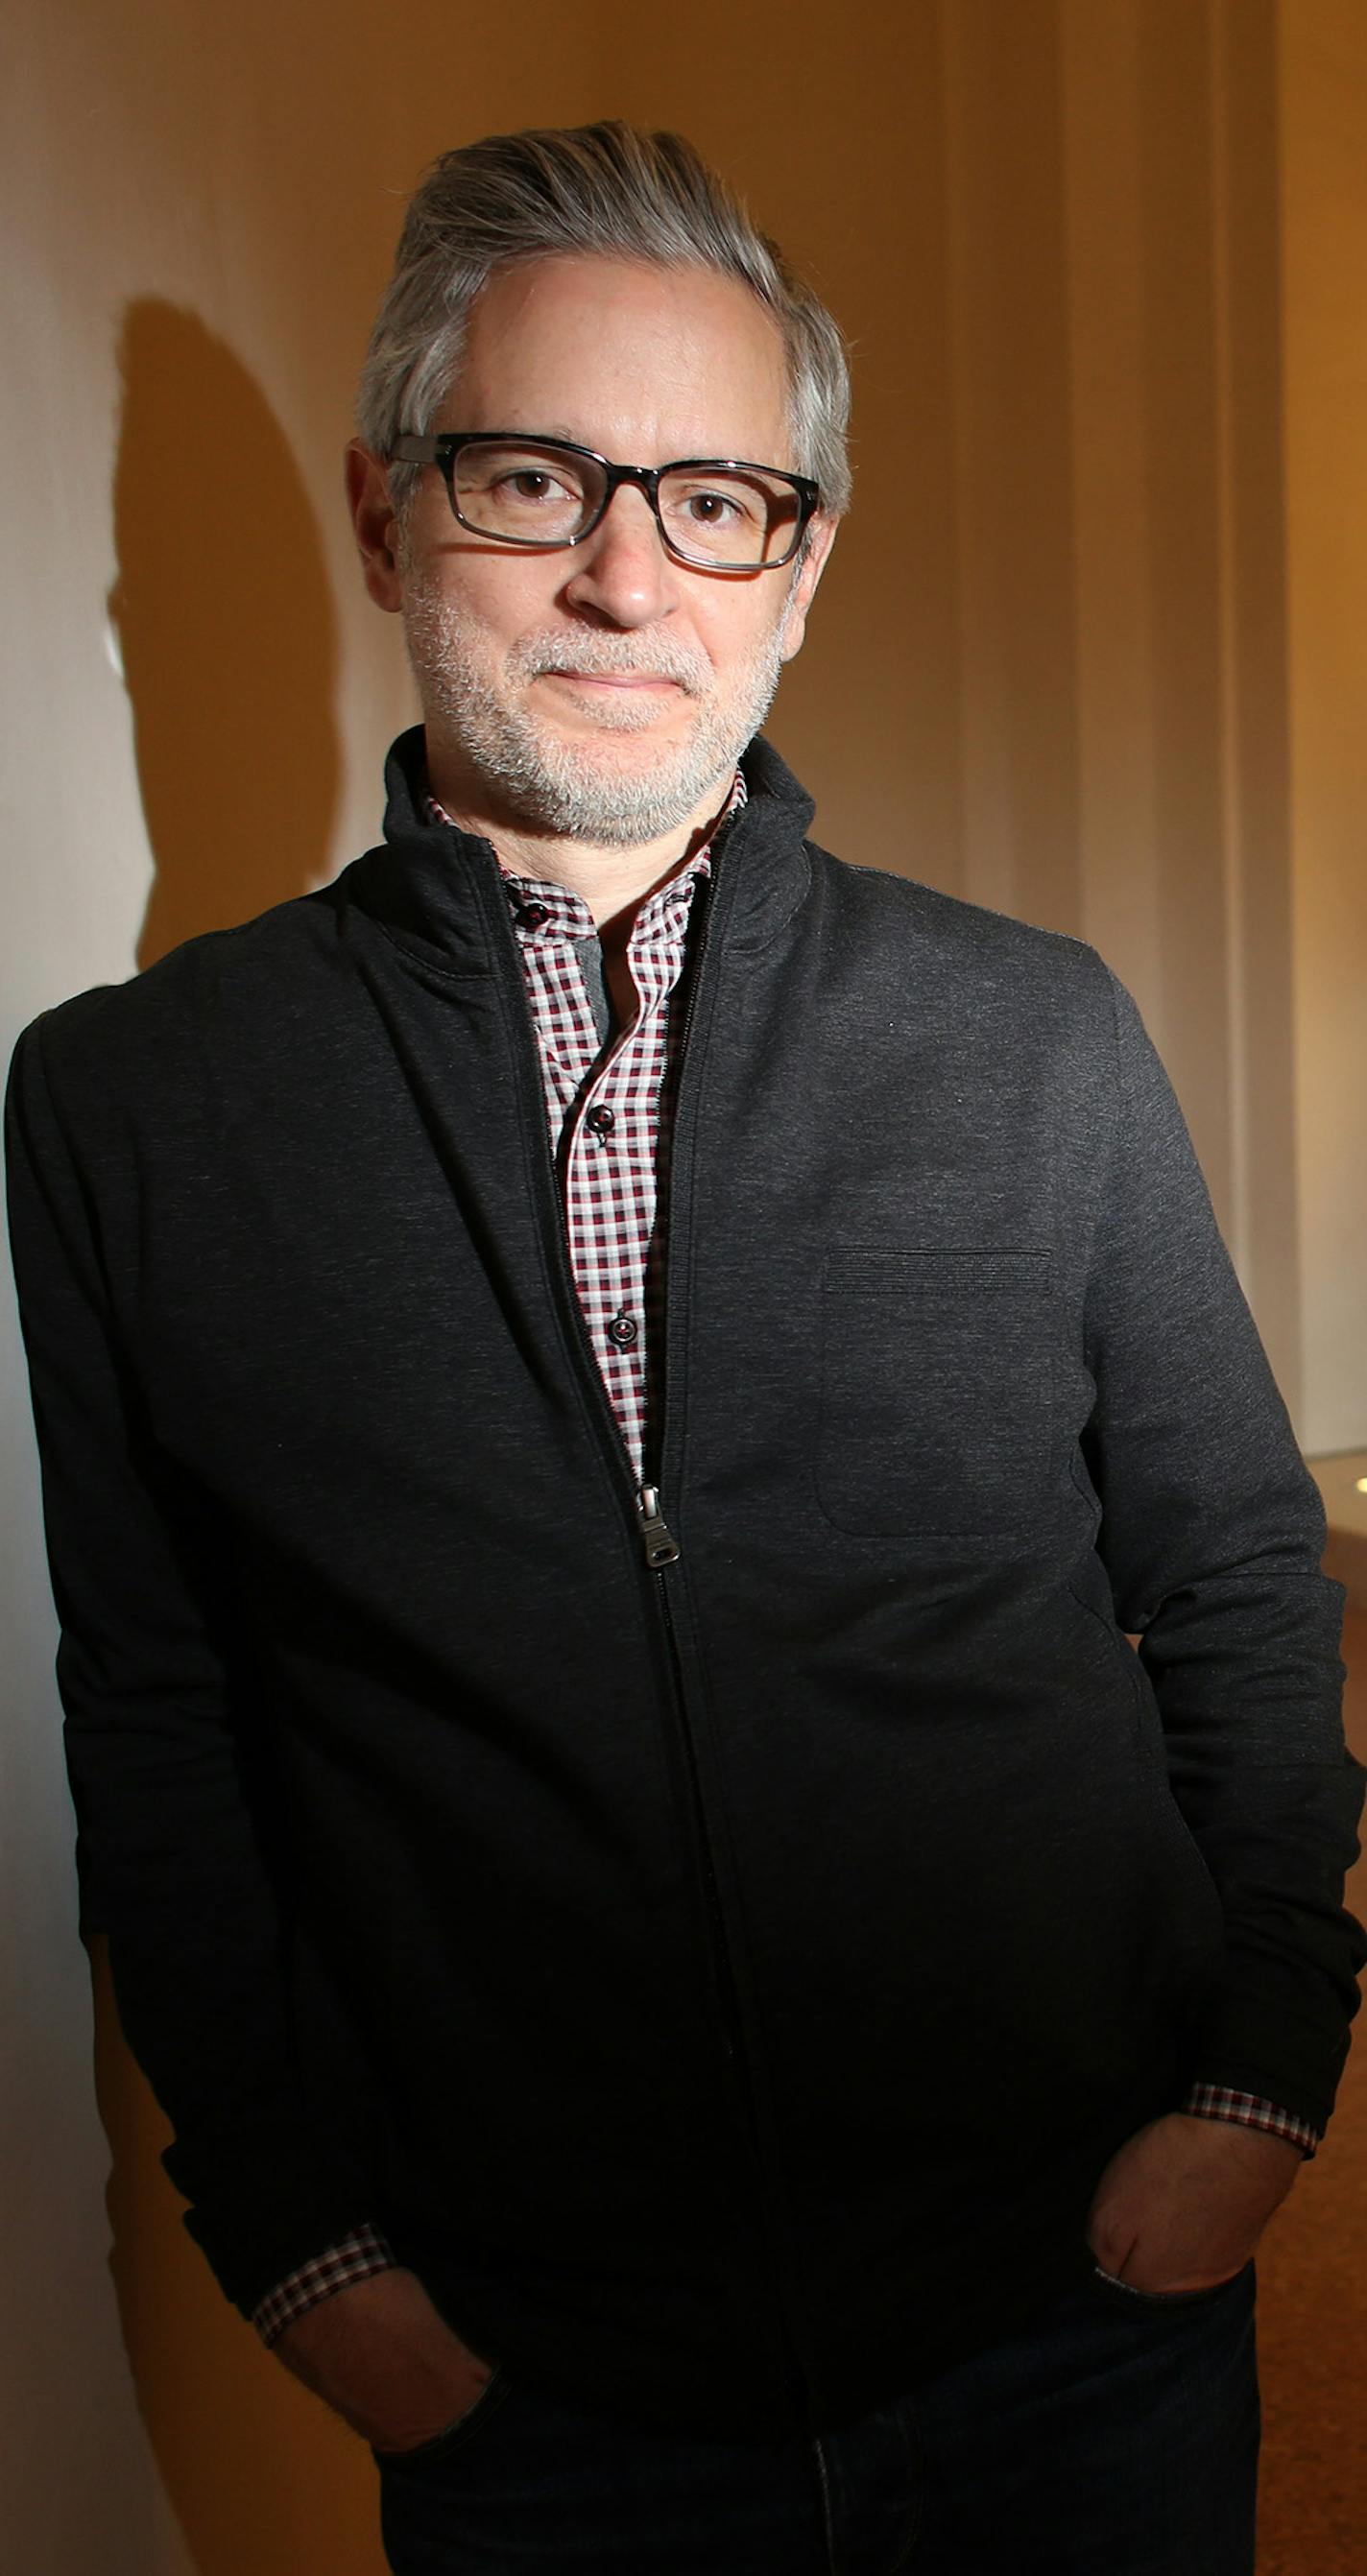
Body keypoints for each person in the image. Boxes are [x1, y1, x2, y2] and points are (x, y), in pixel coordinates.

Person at [6, 121, 1364, 2576]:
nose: (631, 571)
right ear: (388, 510)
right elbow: (164, 1723)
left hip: (1069, 2323)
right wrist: (311, 2255)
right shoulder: (133, 1110)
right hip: (547, 2411)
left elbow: (1247, 1581)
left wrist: (1262, 2076)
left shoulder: (1032, 1040)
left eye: (718, 495)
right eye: (538, 474)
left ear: (800, 563)